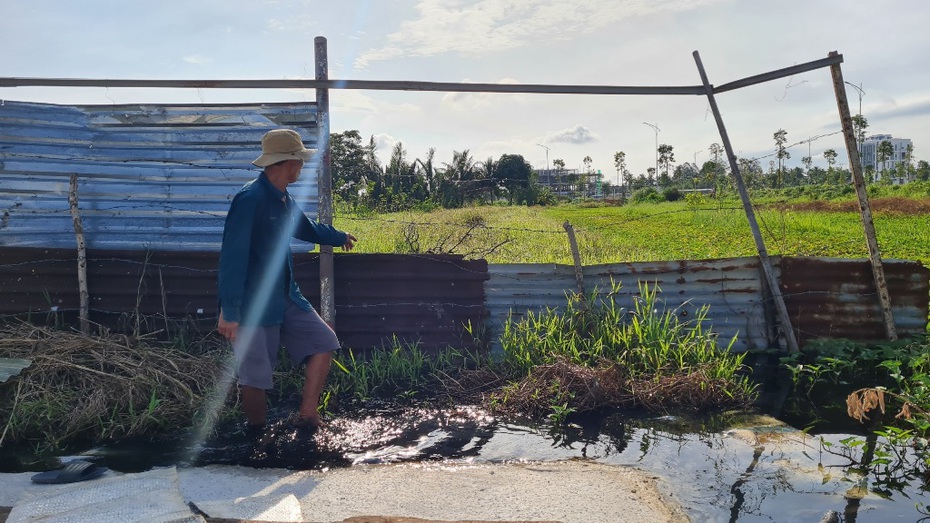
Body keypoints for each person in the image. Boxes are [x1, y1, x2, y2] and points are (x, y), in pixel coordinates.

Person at [217, 128, 357, 430]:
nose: (302, 166)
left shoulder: (282, 198)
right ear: (288, 162)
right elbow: (232, 257)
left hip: (286, 296)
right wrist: (229, 311)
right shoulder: (250, 199)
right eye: (300, 161)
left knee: (324, 342)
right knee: (255, 377)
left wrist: (339, 236)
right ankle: (257, 433)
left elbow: (306, 228)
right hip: (254, 304)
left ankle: (307, 416)